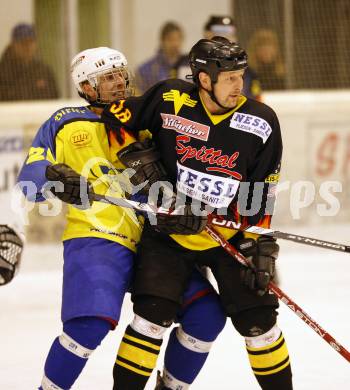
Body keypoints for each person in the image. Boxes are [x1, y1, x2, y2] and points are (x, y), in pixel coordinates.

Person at [17, 46, 226, 390]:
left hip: (154, 241)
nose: (118, 82)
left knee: (207, 315)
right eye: (106, 77)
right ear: (85, 87)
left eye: (119, 74)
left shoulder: (143, 119)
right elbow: (30, 179)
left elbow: (185, 170)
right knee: (88, 326)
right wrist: (54, 176)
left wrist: (189, 211)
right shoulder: (65, 121)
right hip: (97, 234)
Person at [102, 37, 293, 389]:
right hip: (167, 234)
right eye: (231, 78)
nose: (240, 85)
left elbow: (260, 191)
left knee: (260, 322)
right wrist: (147, 176)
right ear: (204, 79)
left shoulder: (261, 122)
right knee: (151, 319)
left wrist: (258, 246)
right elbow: (114, 118)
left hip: (226, 236)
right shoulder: (170, 98)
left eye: (242, 76)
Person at [0, 23, 58, 101]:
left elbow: (55, 100)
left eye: (30, 42)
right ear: (13, 45)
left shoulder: (44, 71)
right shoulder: (3, 73)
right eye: (22, 42)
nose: (27, 47)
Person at [136, 21, 187, 93]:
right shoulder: (147, 70)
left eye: (178, 39)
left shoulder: (187, 65)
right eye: (171, 39)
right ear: (162, 41)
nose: (175, 44)